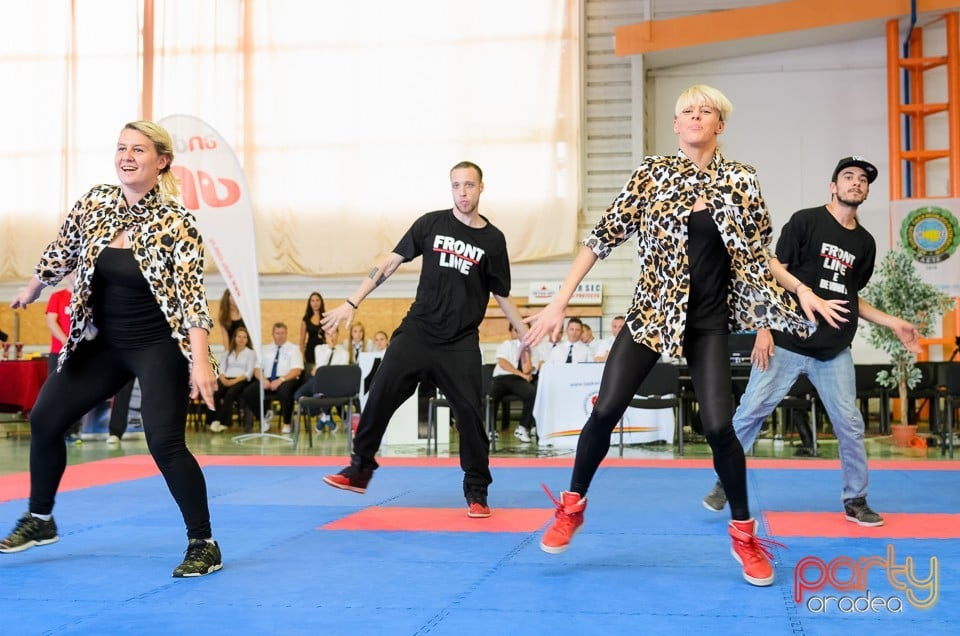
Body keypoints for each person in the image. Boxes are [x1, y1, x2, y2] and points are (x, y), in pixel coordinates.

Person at [523, 85, 847, 587]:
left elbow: (760, 255)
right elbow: (601, 238)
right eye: (687, 111)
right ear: (676, 125)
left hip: (709, 321)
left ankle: (743, 534)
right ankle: (572, 506)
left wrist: (802, 290)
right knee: (605, 409)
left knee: (720, 426)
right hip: (651, 314)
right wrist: (558, 301)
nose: (696, 116)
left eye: (707, 111)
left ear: (720, 125)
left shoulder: (742, 180)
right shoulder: (651, 175)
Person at [1, 120, 222, 577]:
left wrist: (200, 361)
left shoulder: (177, 223)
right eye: (121, 148)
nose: (126, 156)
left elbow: (192, 297)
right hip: (102, 342)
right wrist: (32, 289)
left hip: (158, 344)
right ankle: (40, 518)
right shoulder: (96, 202)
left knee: (165, 443)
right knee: (45, 418)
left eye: (138, 150)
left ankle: (204, 542)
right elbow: (61, 249)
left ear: (161, 161)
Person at [700, 156, 922, 527]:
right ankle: (725, 481)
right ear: (833, 186)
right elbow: (773, 273)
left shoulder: (864, 243)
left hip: (833, 350)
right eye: (848, 177)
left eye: (863, 180)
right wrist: (764, 328)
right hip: (786, 340)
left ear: (866, 191)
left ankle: (856, 499)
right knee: (748, 415)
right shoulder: (806, 221)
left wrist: (892, 322)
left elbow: (852, 297)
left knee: (850, 424)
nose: (856, 183)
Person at [321, 161, 527, 518]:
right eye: (456, 185)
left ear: (481, 188)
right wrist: (353, 301)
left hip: (460, 342)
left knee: (470, 415)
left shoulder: (493, 241)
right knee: (381, 391)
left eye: (469, 185)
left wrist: (525, 333)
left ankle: (477, 492)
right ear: (450, 188)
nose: (462, 192)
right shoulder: (430, 223)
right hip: (418, 332)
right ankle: (360, 469)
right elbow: (389, 262)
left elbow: (502, 294)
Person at [243, 322, 303, 433]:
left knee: (285, 391)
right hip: (268, 379)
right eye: (277, 333)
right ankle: (264, 416)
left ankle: (287, 423)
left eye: (283, 333)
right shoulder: (264, 349)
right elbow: (257, 369)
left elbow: (297, 370)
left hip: (286, 378)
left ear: (286, 334)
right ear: (273, 334)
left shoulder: (294, 349)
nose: (280, 336)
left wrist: (281, 380)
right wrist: (263, 380)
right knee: (248, 392)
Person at [294, 325, 349, 433]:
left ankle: (323, 420)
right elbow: (321, 365)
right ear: (324, 336)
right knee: (298, 395)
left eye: (333, 333)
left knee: (322, 394)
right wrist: (330, 348)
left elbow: (340, 372)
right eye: (328, 334)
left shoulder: (344, 352)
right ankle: (324, 416)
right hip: (317, 381)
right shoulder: (319, 348)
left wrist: (321, 370)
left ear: (338, 334)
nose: (331, 336)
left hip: (334, 383)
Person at [490, 322, 539, 443]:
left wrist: (526, 350)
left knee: (532, 393)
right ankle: (490, 429)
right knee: (491, 396)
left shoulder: (533, 349)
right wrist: (521, 374)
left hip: (519, 381)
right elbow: (502, 363)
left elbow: (528, 369)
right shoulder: (507, 344)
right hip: (502, 378)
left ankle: (523, 427)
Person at [208, 326, 257, 433]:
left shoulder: (251, 353)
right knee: (215, 392)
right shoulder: (227, 352)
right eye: (239, 336)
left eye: (245, 337)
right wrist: (223, 379)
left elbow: (248, 373)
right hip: (225, 378)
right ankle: (214, 420)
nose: (241, 339)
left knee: (230, 394)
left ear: (247, 340)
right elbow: (220, 369)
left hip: (240, 380)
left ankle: (224, 423)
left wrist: (233, 381)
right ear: (234, 338)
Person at [299, 291, 326, 375]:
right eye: (313, 300)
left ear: (321, 302)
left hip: (323, 351)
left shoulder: (326, 317)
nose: (315, 303)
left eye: (317, 300)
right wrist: (302, 356)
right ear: (309, 303)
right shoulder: (305, 319)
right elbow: (302, 340)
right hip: (310, 351)